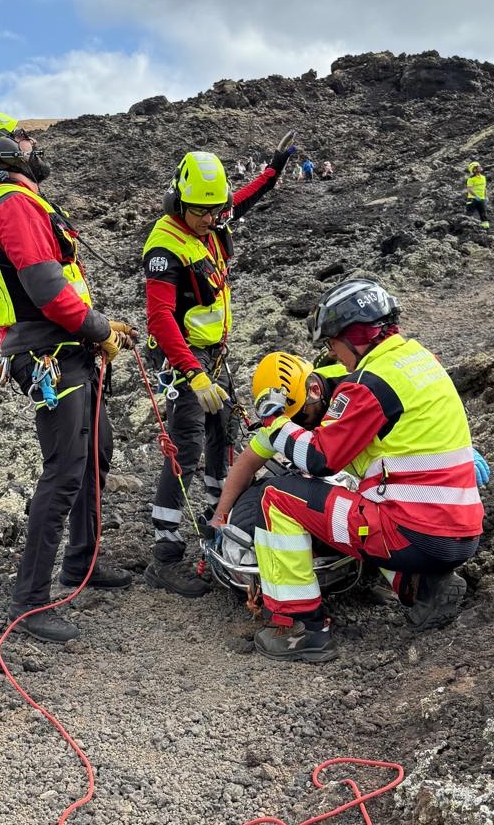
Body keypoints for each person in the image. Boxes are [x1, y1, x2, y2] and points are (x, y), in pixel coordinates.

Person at [211, 278, 485, 662]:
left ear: (353, 335)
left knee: (280, 497)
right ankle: (424, 588)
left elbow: (322, 459)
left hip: (413, 534)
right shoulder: (419, 359)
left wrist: (276, 425)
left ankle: (301, 627)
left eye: (332, 343)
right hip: (461, 529)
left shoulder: (367, 385)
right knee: (365, 492)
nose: (333, 354)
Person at [0, 111, 135, 643]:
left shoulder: (20, 202)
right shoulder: (11, 204)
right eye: (23, 138)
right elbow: (47, 289)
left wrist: (95, 332)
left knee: (94, 456)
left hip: (68, 348)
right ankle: (29, 602)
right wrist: (100, 329)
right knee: (64, 473)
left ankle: (82, 562)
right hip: (52, 353)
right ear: (3, 149)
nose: (34, 144)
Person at [140, 131, 297, 597]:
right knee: (185, 448)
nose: (211, 219)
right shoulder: (164, 246)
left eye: (215, 210)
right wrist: (193, 373)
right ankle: (165, 554)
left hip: (216, 352)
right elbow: (160, 317)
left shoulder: (210, 218)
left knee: (221, 437)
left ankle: (217, 523)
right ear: (178, 201)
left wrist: (272, 172)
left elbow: (239, 203)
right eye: (202, 211)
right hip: (185, 355)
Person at [465, 161, 490, 228]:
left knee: (483, 212)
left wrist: (486, 196)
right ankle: (467, 226)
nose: (480, 167)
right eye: (478, 167)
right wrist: (476, 196)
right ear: (474, 170)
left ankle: (485, 225)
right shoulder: (471, 179)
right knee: (469, 213)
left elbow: (484, 188)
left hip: (481, 198)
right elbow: (470, 189)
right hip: (472, 199)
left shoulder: (483, 177)